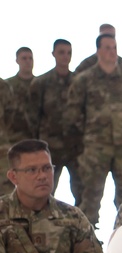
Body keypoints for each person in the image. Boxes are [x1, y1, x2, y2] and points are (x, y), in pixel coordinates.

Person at [64, 33, 122, 228]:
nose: (111, 52)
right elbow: (73, 111)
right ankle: (86, 244)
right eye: (107, 48)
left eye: (114, 47)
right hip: (96, 147)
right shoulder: (85, 79)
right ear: (98, 51)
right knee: (90, 196)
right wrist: (91, 130)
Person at [29, 38, 82, 204]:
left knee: (82, 191)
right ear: (53, 54)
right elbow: (33, 117)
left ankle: (82, 226)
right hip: (50, 147)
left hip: (76, 147)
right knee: (45, 190)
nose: (65, 57)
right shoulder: (41, 83)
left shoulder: (80, 82)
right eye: (61, 52)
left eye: (69, 53)